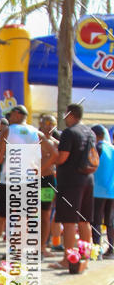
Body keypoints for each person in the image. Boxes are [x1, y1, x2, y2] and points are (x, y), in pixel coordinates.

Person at [0, 104, 40, 263]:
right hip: (27, 180)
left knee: (1, 217)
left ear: (17, 114)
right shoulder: (34, 132)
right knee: (23, 218)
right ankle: (16, 251)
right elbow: (37, 158)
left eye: (10, 115)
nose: (9, 118)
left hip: (9, 180)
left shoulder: (8, 130)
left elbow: (0, 158)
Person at [50, 103, 96, 269]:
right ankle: (85, 258)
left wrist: (49, 161)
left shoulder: (69, 132)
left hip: (71, 182)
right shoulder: (89, 132)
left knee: (69, 222)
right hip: (88, 180)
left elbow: (63, 157)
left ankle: (68, 260)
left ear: (70, 114)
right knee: (85, 221)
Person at [90, 124, 114, 257]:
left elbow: (91, 164)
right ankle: (111, 249)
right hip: (112, 189)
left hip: (98, 189)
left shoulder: (98, 147)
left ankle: (97, 251)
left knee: (96, 221)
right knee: (110, 221)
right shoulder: (112, 148)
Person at [38, 114, 59, 256]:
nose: (49, 126)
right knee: (30, 214)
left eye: (52, 123)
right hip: (31, 180)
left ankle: (42, 246)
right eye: (47, 123)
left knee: (45, 215)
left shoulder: (56, 144)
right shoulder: (33, 140)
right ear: (41, 124)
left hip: (47, 181)